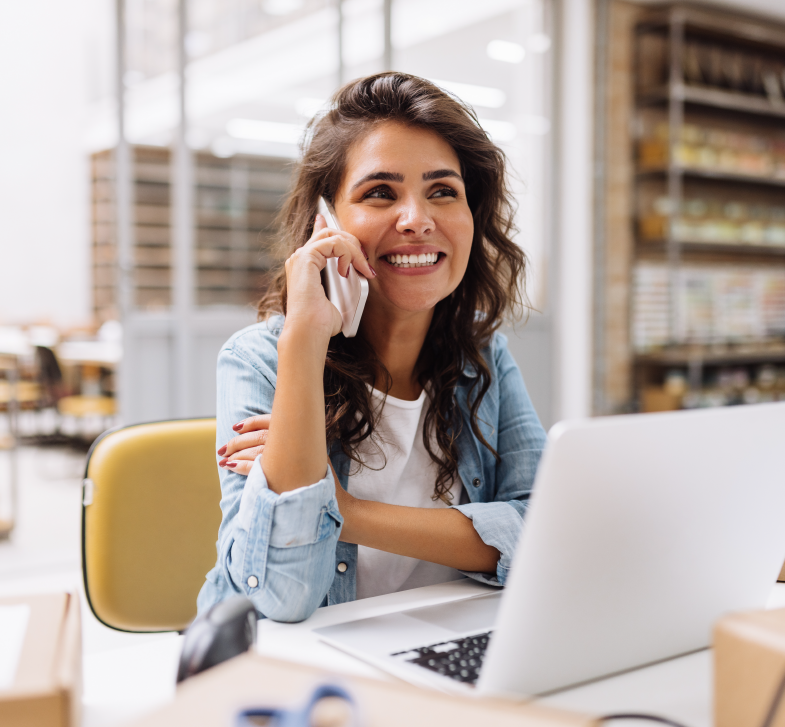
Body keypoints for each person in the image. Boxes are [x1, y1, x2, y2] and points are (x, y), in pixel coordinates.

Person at [197, 72, 546, 622]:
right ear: (326, 222)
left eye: (443, 192)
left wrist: (346, 511)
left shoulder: (482, 356)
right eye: (380, 192)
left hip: (439, 648)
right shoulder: (262, 359)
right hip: (303, 675)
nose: (417, 220)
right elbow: (281, 599)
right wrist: (305, 340)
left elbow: (546, 535)